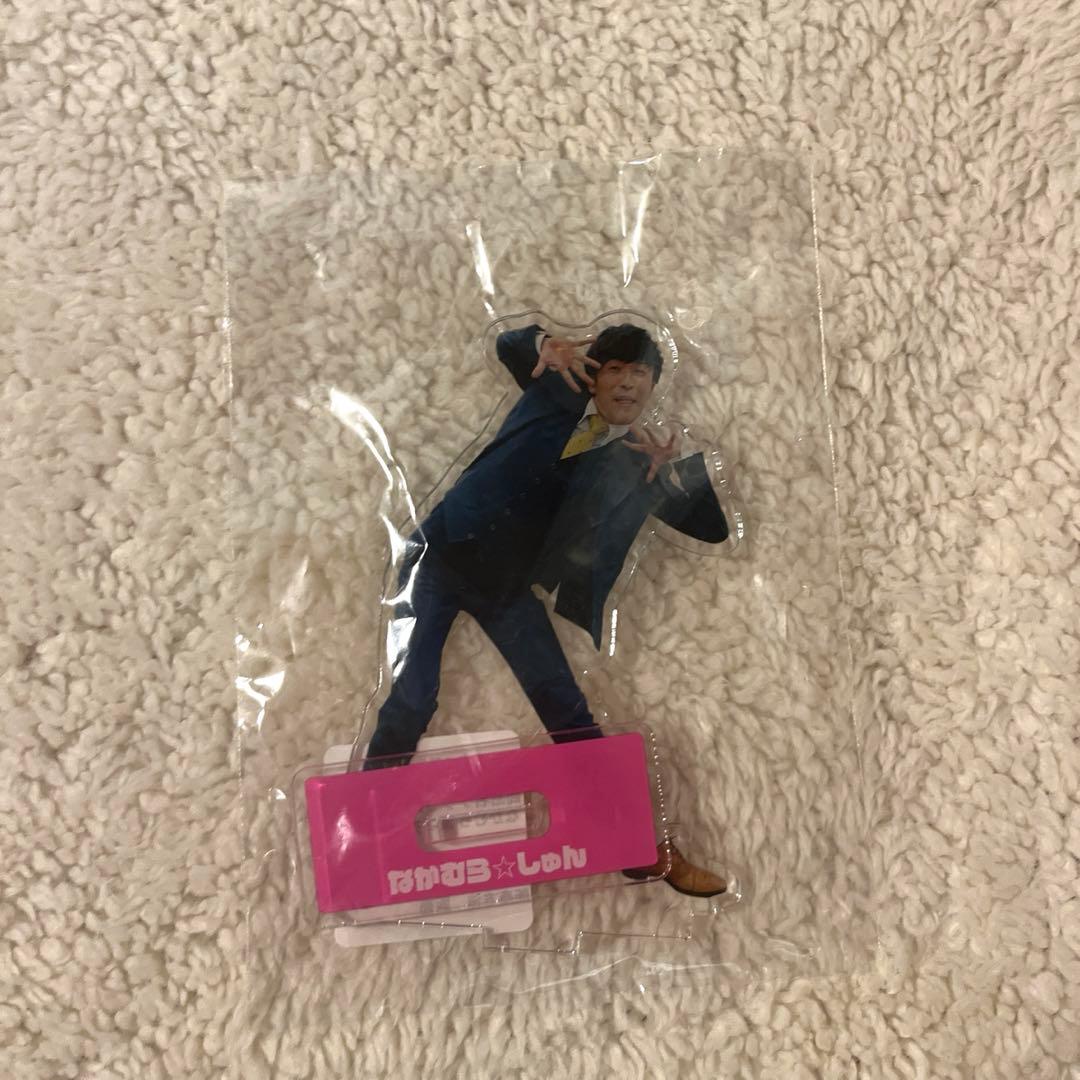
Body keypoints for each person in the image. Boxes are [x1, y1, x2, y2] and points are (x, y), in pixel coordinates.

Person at [365, 322, 731, 897]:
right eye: (615, 370)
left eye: (640, 374)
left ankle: (636, 847)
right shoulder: (553, 392)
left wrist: (672, 478)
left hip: (506, 587)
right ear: (593, 376)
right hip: (438, 557)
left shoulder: (631, 460)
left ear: (654, 386)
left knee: (565, 705)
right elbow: (508, 345)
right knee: (413, 696)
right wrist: (541, 346)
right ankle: (364, 832)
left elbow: (712, 529)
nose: (627, 384)